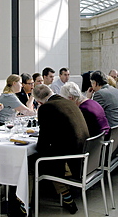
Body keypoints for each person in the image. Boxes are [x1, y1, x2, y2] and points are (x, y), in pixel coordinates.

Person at [29, 84, 89, 215]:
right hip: (83, 152)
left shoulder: (46, 108)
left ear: (38, 101)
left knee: (30, 161)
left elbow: (43, 143)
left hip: (70, 158)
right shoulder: (68, 102)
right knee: (48, 157)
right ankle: (66, 198)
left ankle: (25, 203)